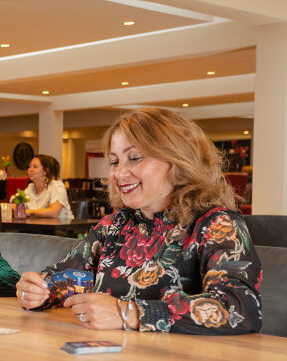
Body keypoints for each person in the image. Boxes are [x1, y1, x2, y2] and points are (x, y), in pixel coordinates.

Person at [16, 108, 262, 334]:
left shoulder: (217, 224)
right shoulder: (115, 224)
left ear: (177, 161)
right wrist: (38, 290)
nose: (119, 173)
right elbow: (64, 277)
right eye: (114, 161)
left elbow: (240, 307)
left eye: (134, 158)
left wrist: (129, 313)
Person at [13, 154, 74, 221]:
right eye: (29, 166)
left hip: (60, 229)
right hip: (37, 228)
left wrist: (26, 212)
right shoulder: (30, 188)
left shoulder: (56, 186)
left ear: (45, 171)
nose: (30, 170)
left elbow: (54, 212)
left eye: (35, 167)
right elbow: (18, 208)